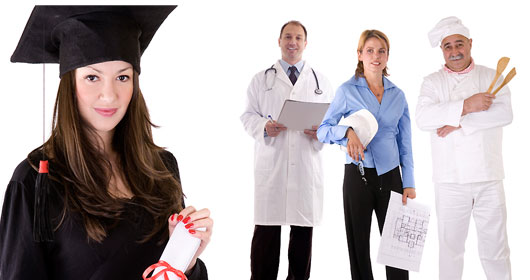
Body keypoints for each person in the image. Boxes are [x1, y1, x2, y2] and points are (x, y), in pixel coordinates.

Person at [0, 6, 212, 279]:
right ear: (69, 83)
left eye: (122, 77)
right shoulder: (36, 180)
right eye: (92, 77)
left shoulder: (161, 168)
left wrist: (186, 259)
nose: (109, 95)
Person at [416, 16, 512, 280]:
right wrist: (467, 105)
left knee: (496, 248)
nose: (455, 52)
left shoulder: (492, 76)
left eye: (459, 44)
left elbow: (504, 115)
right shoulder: (432, 83)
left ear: (470, 43)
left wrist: (458, 123)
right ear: (442, 50)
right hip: (450, 180)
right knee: (450, 250)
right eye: (448, 46)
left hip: (489, 177)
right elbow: (424, 119)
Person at [317, 29, 416, 280]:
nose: (376, 56)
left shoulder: (398, 95)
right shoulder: (346, 90)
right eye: (369, 50)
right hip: (357, 177)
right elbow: (322, 130)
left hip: (391, 177)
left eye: (381, 51)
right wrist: (347, 131)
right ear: (359, 54)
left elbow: (406, 144)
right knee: (358, 248)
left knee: (397, 251)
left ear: (387, 56)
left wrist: (409, 183)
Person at [240, 20, 333, 280]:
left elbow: (332, 123)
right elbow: (247, 115)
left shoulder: (321, 81)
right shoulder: (261, 80)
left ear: (306, 43)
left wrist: (321, 133)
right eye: (288, 37)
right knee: (265, 239)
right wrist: (264, 127)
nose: (293, 42)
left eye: (298, 38)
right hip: (273, 165)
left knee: (302, 239)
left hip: (305, 166)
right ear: (279, 41)